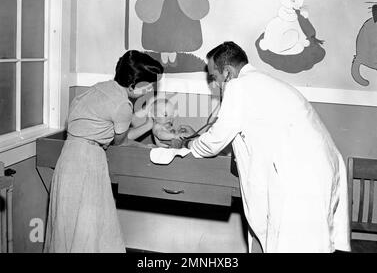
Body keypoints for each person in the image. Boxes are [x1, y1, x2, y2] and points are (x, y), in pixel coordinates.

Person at [185, 41, 351, 253]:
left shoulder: (238, 86)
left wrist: (191, 144)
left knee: (295, 245)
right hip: (320, 168)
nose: (215, 84)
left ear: (227, 72)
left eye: (214, 77)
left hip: (300, 179)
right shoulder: (264, 83)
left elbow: (216, 140)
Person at [44, 50, 164, 253]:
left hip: (68, 157)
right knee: (90, 225)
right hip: (87, 162)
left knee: (68, 222)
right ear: (133, 85)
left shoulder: (99, 89)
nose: (149, 91)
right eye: (147, 87)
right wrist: (147, 143)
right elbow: (121, 142)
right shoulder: (122, 105)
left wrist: (146, 126)